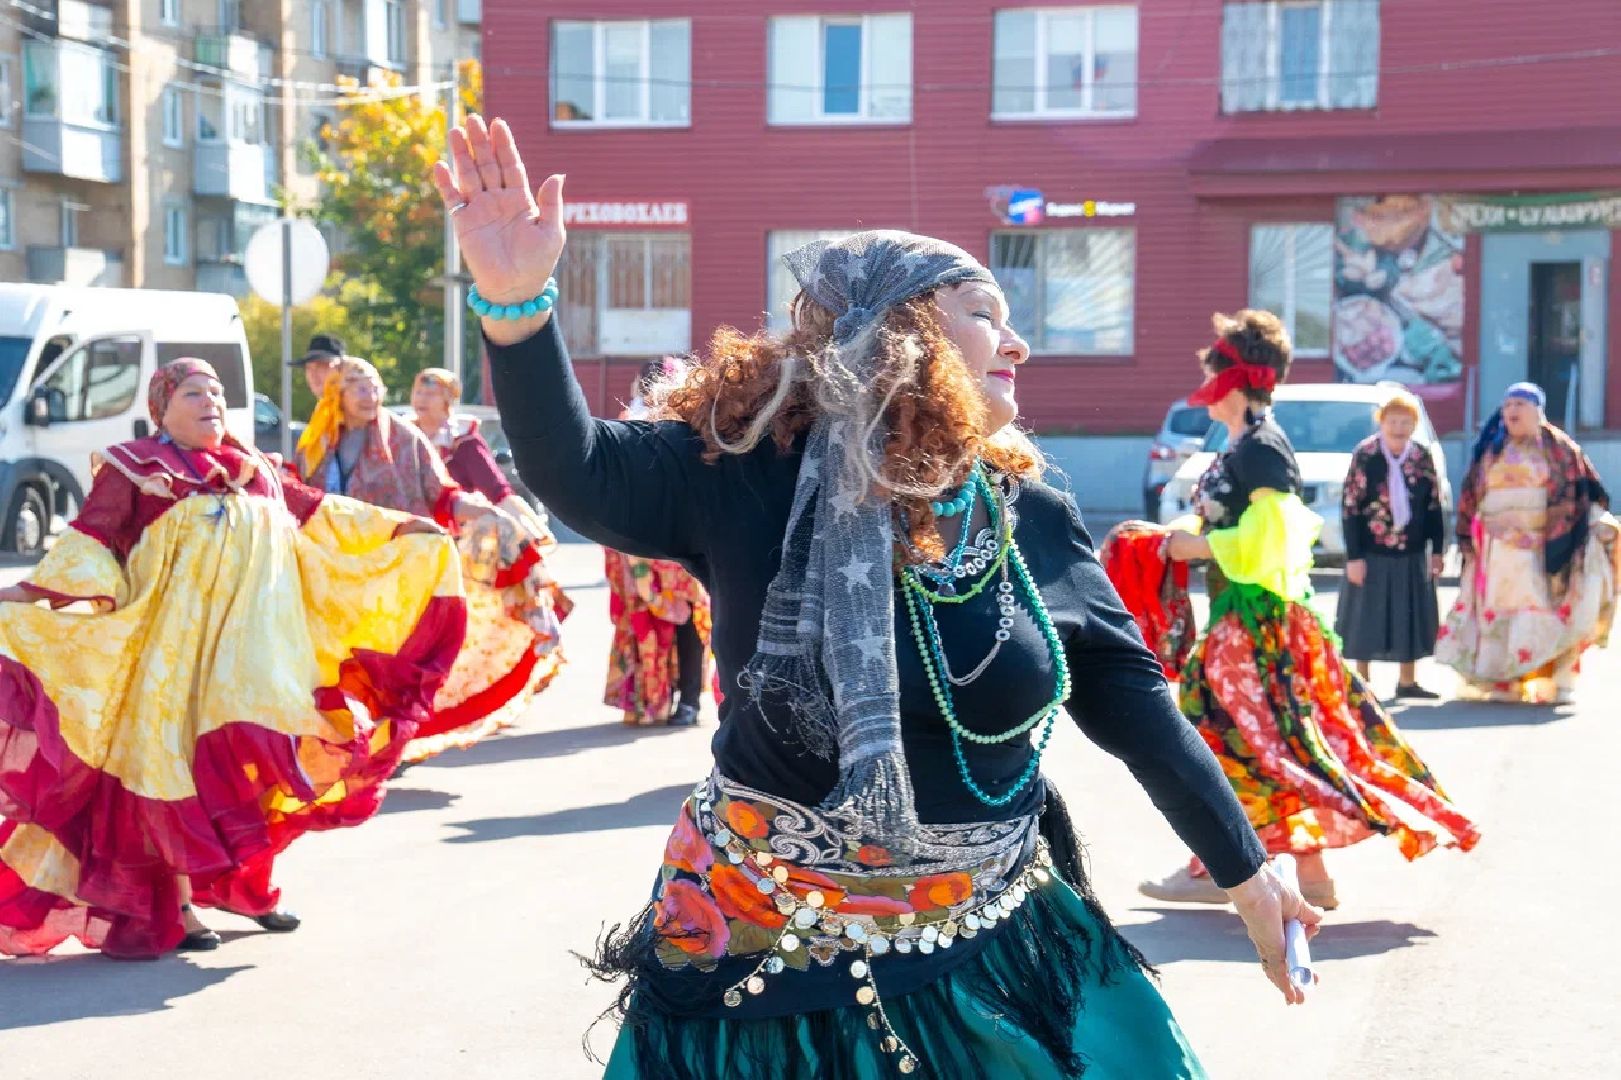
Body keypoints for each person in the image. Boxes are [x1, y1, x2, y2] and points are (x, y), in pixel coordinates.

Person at [438, 114, 1319, 1079]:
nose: (1016, 340)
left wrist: (1246, 871)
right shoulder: (742, 473)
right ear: (900, 331)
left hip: (995, 935)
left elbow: (1128, 696)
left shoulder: (1025, 505)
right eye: (986, 311)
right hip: (770, 957)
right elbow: (577, 469)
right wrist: (517, 307)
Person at [0, 359, 464, 958]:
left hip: (255, 664)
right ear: (161, 408)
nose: (210, 401)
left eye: (217, 391)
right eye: (193, 392)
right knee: (175, 775)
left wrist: (403, 532)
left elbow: (324, 513)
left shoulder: (259, 470)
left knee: (258, 772)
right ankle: (185, 904)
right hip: (168, 663)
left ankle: (248, 888)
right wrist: (30, 594)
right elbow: (91, 539)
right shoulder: (136, 466)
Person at [1139, 311, 1480, 913]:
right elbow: (1235, 520)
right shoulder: (1245, 443)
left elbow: (1274, 539)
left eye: (1214, 375)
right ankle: (1274, 872)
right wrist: (1178, 533)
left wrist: (1199, 546)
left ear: (1235, 384)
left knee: (1240, 739)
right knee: (1261, 740)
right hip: (1244, 618)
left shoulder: (1262, 448)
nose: (1206, 391)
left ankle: (1227, 868)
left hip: (1257, 623)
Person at [297, 357, 567, 764]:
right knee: (338, 660)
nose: (369, 394)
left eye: (374, 384)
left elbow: (442, 494)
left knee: (394, 659)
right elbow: (302, 499)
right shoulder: (317, 444)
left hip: (399, 571)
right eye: (357, 385)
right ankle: (347, 738)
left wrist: (489, 513)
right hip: (338, 573)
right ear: (337, 391)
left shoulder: (404, 438)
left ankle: (387, 743)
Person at [1436, 383, 1617, 704]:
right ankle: (1505, 682)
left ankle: (1553, 682)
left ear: (1537, 411)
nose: (1512, 411)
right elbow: (1471, 494)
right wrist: (1469, 539)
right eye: (1507, 406)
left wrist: (1595, 526)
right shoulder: (1491, 448)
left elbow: (1583, 493)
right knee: (1499, 613)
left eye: (1520, 404)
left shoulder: (1559, 448)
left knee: (1542, 611)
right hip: (1496, 552)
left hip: (1542, 548)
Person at [603, 364, 714, 728]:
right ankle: (655, 697)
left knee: (685, 617)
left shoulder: (693, 421)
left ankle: (688, 700)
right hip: (637, 538)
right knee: (645, 618)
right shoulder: (628, 421)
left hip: (679, 536)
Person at [1336, 389, 1447, 698]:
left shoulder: (1421, 456)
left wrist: (1437, 550)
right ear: (1381, 422)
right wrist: (1354, 556)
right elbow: (1350, 507)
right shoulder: (1366, 455)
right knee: (1365, 616)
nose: (1398, 428)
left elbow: (1435, 504)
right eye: (1392, 421)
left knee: (1409, 613)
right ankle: (1362, 683)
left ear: (1414, 425)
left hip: (1411, 550)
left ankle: (1407, 681)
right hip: (1371, 550)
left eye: (1405, 422)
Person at [408, 366, 557, 543]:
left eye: (430, 394)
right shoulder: (402, 434)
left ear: (446, 399)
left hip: (455, 536)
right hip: (409, 531)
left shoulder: (463, 440)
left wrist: (527, 529)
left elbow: (495, 488)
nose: (421, 399)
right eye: (418, 392)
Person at [292, 332, 345, 399]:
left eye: (320, 366)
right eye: (308, 368)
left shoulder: (355, 405)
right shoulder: (324, 407)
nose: (313, 375)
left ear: (340, 368)